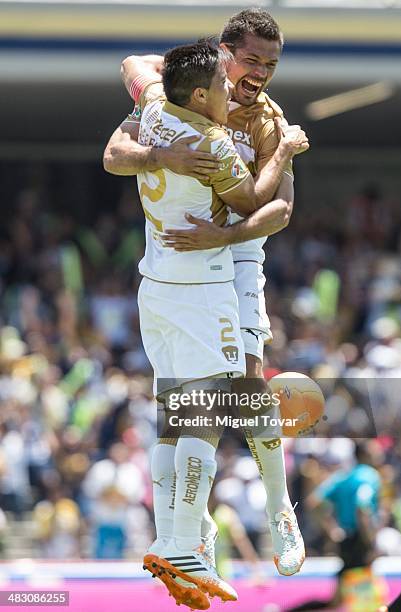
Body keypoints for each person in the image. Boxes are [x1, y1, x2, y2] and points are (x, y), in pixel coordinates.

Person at [106, 8, 309, 577]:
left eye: (271, 64)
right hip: (175, 259)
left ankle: (277, 508)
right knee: (186, 401)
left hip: (235, 253)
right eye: (251, 60)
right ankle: (192, 534)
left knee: (242, 381)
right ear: (223, 53)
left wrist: (226, 235)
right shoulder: (180, 91)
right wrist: (161, 156)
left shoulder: (268, 119)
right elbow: (114, 152)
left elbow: (279, 210)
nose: (261, 73)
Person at [288, 442, 382, 611]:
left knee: (339, 599)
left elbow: (314, 503)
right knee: (361, 596)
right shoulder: (370, 476)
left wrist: (332, 530)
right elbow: (362, 507)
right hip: (360, 541)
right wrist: (370, 541)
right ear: (366, 455)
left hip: (344, 540)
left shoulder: (344, 477)